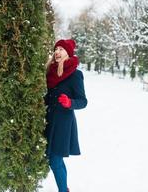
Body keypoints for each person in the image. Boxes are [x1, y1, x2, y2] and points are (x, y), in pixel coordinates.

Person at [44, 39, 87, 192]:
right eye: (56, 49)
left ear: (68, 53)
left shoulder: (75, 74)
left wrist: (70, 103)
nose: (57, 52)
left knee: (55, 160)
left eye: (61, 49)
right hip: (49, 119)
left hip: (63, 122)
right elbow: (49, 97)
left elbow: (83, 101)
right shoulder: (50, 72)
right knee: (56, 159)